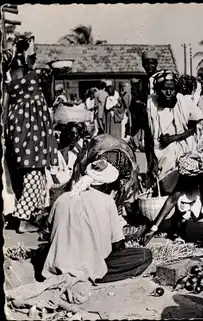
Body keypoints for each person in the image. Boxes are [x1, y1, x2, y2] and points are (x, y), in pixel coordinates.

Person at [42, 158, 152, 284]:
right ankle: (92, 277)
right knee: (145, 255)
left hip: (59, 265)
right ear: (105, 184)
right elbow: (117, 245)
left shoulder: (62, 198)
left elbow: (49, 230)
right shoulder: (107, 201)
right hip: (89, 267)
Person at [3, 34, 60, 233]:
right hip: (31, 128)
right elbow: (51, 98)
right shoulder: (33, 74)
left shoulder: (9, 76)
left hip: (18, 126)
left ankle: (33, 214)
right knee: (34, 172)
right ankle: (22, 220)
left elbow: (5, 107)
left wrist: (6, 131)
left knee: (35, 172)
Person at [144, 71, 203, 192]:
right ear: (158, 90)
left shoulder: (184, 102)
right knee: (162, 183)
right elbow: (149, 136)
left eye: (172, 89)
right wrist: (153, 162)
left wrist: (174, 138)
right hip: (161, 149)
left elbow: (193, 129)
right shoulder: (152, 105)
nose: (169, 92)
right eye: (164, 89)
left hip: (184, 145)